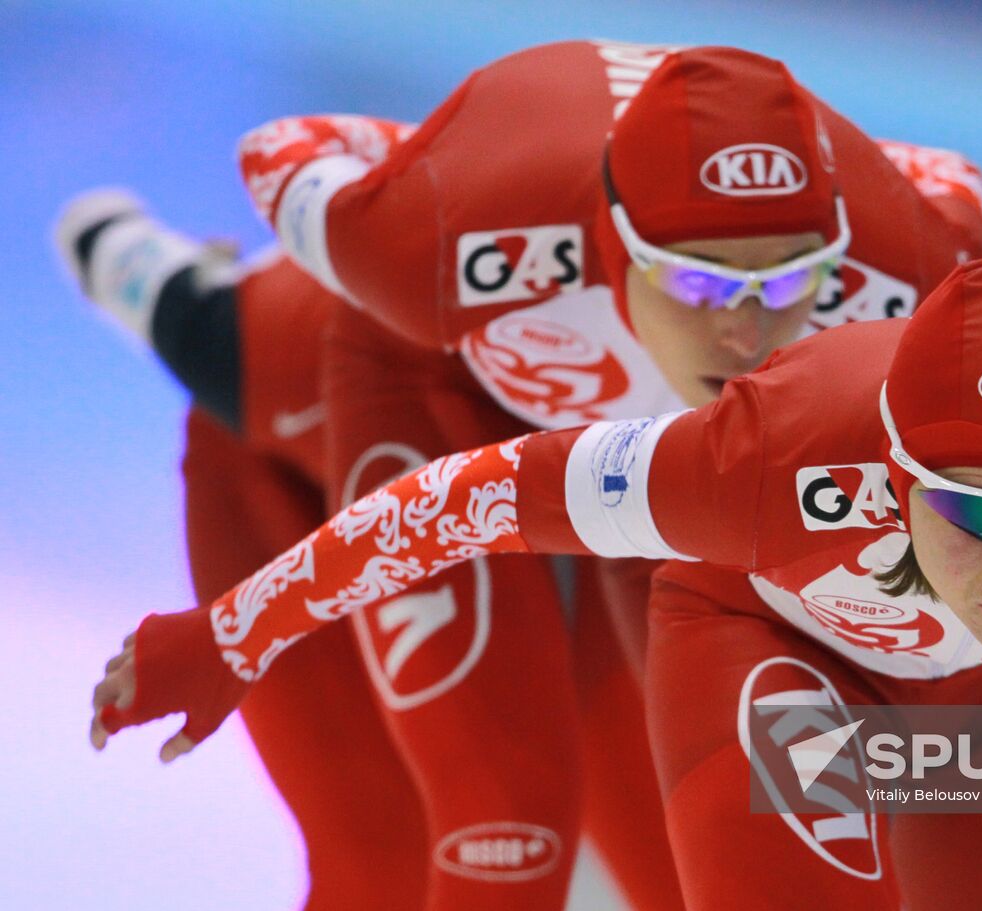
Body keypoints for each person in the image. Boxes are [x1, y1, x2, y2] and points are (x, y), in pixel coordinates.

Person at [66, 39, 982, 910]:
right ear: (611, 243)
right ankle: (144, 270)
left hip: (618, 472)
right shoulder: (436, 244)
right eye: (700, 283)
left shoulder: (909, 267)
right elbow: (283, 147)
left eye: (787, 285)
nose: (745, 334)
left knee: (703, 863)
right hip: (377, 379)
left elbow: (951, 175)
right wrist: (419, 158)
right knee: (496, 830)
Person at [91, 257, 982, 908]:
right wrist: (231, 632)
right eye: (980, 508)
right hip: (777, 642)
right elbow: (453, 502)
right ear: (889, 474)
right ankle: (155, 274)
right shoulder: (755, 462)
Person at [54, 197, 677, 909]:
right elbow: (503, 831)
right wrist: (113, 242)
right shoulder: (259, 353)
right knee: (407, 860)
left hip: (586, 482)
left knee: (682, 849)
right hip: (287, 438)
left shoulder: (766, 428)